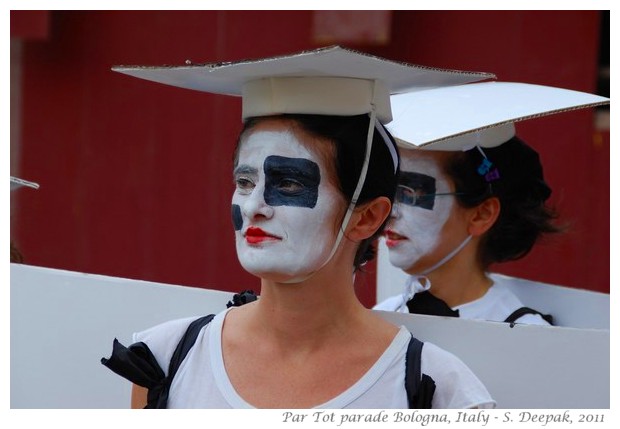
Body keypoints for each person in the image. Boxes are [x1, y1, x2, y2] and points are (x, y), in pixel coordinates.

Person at [101, 46, 496, 409]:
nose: (254, 207)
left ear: (367, 216)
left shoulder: (436, 388)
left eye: (288, 184)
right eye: (244, 182)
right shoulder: (167, 358)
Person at [374, 81, 610, 325]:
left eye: (412, 193)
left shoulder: (525, 333)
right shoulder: (383, 317)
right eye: (389, 190)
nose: (389, 212)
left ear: (481, 214)